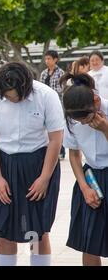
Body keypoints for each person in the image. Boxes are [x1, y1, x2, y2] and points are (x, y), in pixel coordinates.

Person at [0, 62, 64, 266]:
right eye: (7, 96)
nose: (11, 99)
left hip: (37, 164)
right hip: (5, 164)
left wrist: (45, 178)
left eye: (15, 95)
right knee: (6, 231)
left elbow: (56, 139)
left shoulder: (46, 95)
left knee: (36, 232)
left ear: (26, 86)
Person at [60, 73, 108, 266]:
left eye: (85, 119)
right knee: (89, 242)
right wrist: (84, 187)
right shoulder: (72, 119)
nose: (82, 123)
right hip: (91, 178)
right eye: (77, 120)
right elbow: (74, 154)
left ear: (96, 101)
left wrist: (105, 129)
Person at [40, 50, 66, 159]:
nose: (47, 61)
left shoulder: (61, 73)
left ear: (55, 59)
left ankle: (61, 150)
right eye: (46, 59)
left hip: (57, 103)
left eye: (49, 59)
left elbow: (62, 89)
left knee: (57, 126)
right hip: (44, 103)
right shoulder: (44, 73)